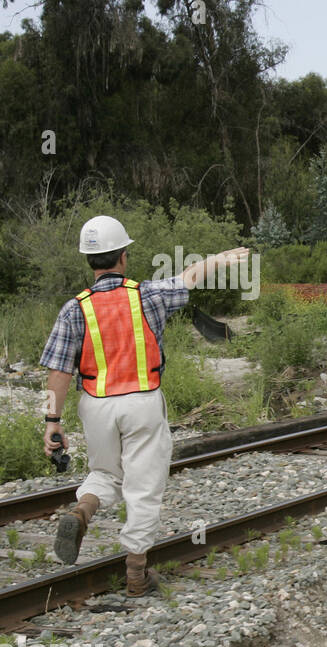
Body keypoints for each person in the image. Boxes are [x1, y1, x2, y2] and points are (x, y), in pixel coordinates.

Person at [39, 214, 248, 595]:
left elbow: (59, 371)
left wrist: (52, 420)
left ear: (90, 260)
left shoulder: (74, 309)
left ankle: (82, 510)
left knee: (105, 474)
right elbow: (189, 277)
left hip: (97, 406)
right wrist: (219, 259)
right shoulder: (147, 294)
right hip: (142, 403)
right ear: (123, 256)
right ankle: (136, 574)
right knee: (143, 486)